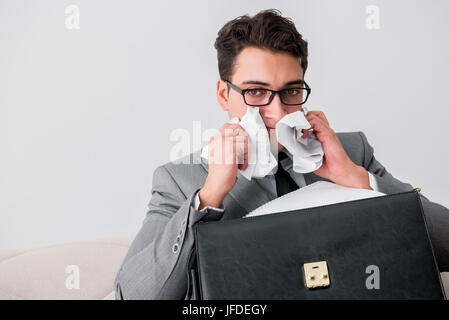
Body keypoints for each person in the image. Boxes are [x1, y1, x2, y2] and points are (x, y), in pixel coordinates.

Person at [114, 9, 449, 299]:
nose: (275, 111)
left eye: (290, 91)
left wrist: (357, 180)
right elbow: (132, 295)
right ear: (222, 94)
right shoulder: (179, 180)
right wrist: (210, 194)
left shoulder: (351, 151)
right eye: (256, 92)